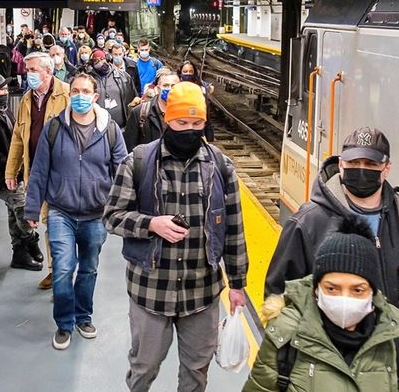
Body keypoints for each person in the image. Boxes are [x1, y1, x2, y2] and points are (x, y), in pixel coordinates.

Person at [103, 81, 248, 392]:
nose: (189, 130)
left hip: (202, 292)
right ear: (166, 116)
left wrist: (237, 284)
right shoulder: (138, 162)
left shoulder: (221, 167)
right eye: (182, 123)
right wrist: (151, 224)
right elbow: (112, 217)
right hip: (151, 291)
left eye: (197, 124)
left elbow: (234, 228)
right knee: (145, 367)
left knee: (197, 371)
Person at [265, 127, 399, 344]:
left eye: (371, 164)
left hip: (389, 346)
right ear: (341, 164)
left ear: (387, 168)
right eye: (353, 163)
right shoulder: (308, 222)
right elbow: (278, 291)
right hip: (324, 350)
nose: (361, 170)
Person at [244, 216, 399, 392]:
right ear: (316, 289)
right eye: (332, 288)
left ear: (372, 291)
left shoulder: (394, 338)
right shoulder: (285, 334)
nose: (344, 300)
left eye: (357, 290)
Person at [24, 73, 127, 350]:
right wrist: (32, 208)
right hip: (61, 212)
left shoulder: (111, 130)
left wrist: (122, 209)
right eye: (75, 91)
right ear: (69, 95)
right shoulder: (54, 128)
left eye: (85, 91)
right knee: (62, 268)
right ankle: (64, 323)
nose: (80, 96)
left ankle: (83, 317)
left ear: (95, 96)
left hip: (96, 214)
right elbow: (40, 170)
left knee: (89, 268)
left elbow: (122, 173)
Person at [6, 52, 71, 288]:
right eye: (27, 69)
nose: (27, 74)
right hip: (36, 173)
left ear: (48, 71)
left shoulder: (67, 94)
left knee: (64, 223)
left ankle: (65, 271)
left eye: (32, 70)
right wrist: (11, 170)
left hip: (63, 175)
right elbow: (18, 137)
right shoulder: (26, 99)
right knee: (48, 222)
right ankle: (57, 272)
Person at [0, 73, 41, 269]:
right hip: (0, 174)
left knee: (12, 210)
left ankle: (20, 253)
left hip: (13, 171)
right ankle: (32, 242)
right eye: (2, 89)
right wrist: (8, 167)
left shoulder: (1, 109)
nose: (6, 92)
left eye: (7, 89)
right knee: (22, 208)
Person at [123, 68, 179, 150]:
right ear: (158, 88)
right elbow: (129, 146)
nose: (170, 89)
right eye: (166, 85)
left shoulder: (185, 114)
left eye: (173, 86)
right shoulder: (140, 112)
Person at [88, 49, 137, 128]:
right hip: (99, 127)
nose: (99, 62)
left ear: (107, 59)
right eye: (96, 60)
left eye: (101, 59)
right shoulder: (89, 79)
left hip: (123, 127)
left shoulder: (123, 76)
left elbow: (133, 98)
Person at [177, 60, 214, 141]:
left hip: (198, 120)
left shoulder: (201, 86)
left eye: (191, 71)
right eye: (185, 71)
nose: (188, 74)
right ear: (180, 72)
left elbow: (206, 108)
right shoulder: (176, 85)